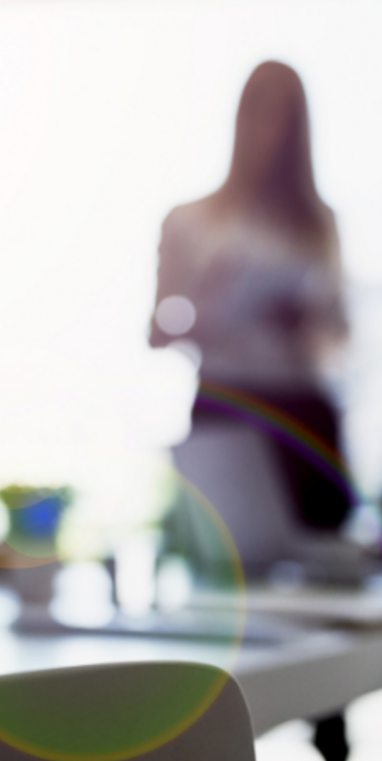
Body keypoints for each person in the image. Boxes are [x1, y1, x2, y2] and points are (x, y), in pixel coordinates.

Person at [150, 60, 351, 531]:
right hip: (225, 401)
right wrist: (209, 298)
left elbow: (341, 334)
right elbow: (156, 333)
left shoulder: (319, 224)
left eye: (285, 116)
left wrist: (305, 323)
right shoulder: (191, 220)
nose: (271, 128)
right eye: (262, 111)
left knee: (319, 542)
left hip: (302, 405)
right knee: (227, 547)